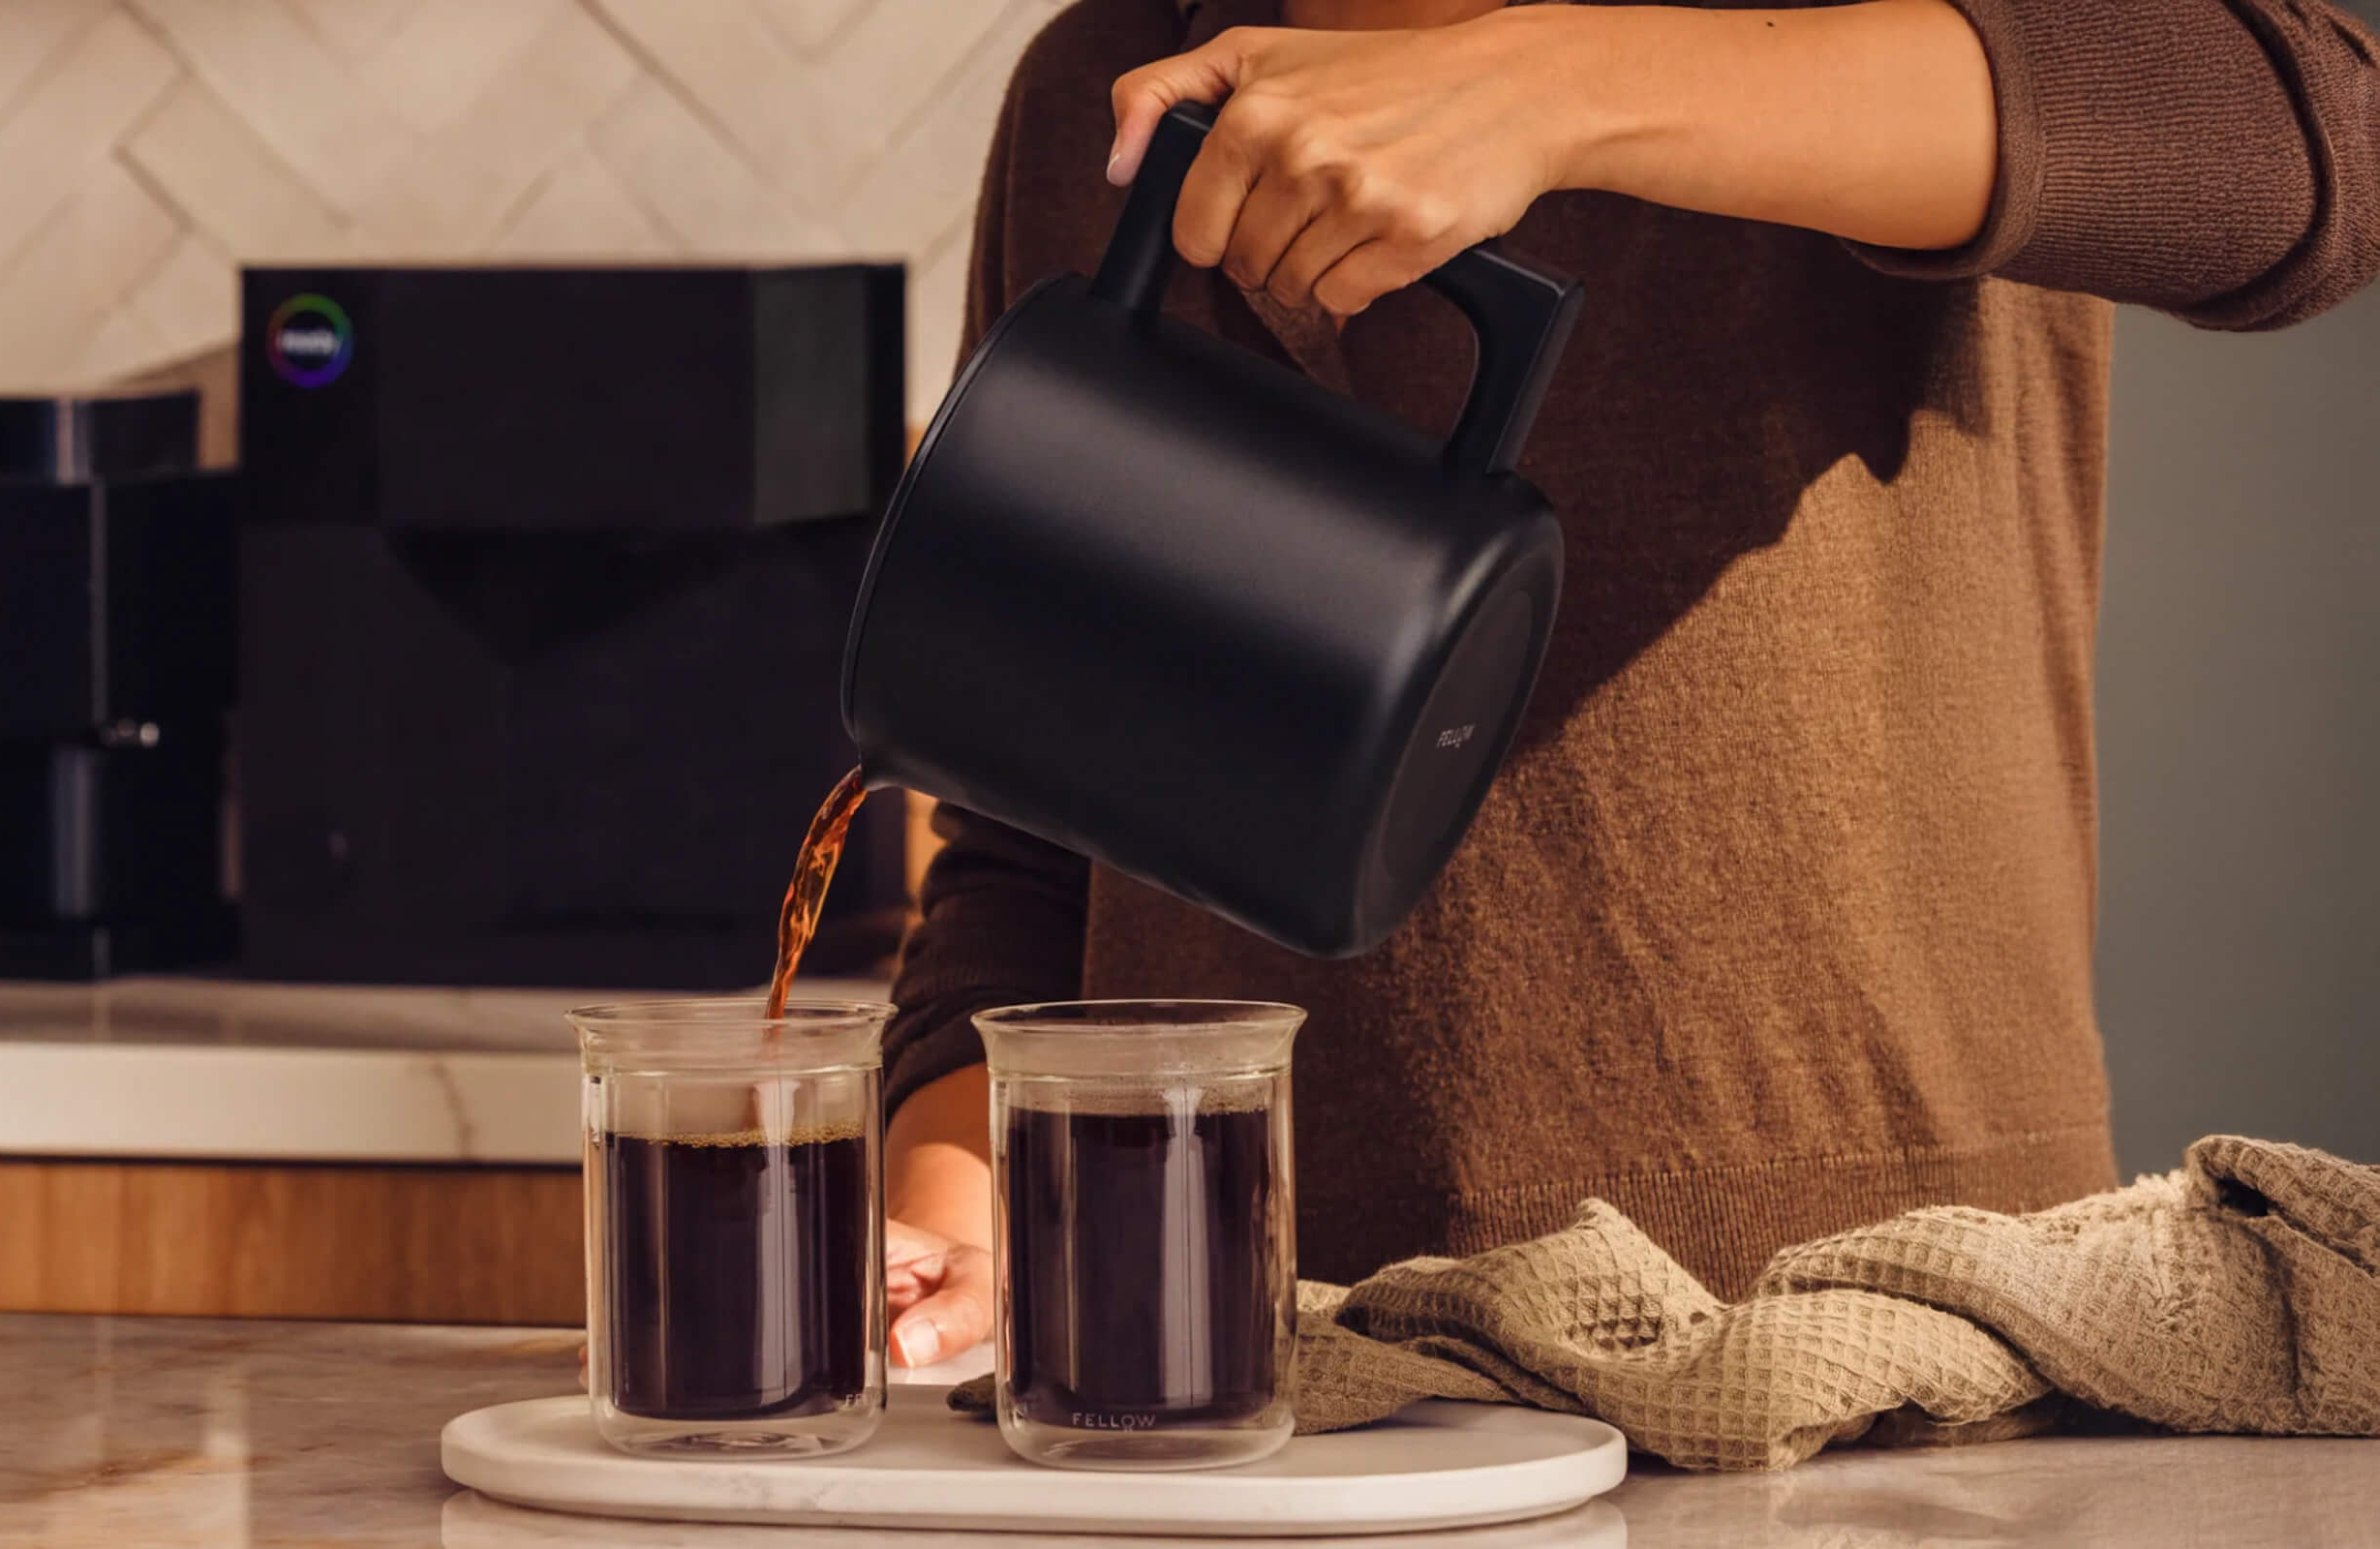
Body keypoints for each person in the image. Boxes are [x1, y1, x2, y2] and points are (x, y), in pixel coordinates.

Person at [873, 0, 2380, 1371]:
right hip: (1242, 1367)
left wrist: (1546, 93)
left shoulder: (1854, 34)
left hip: (1875, 1343)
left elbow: (2312, 141)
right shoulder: (1116, 89)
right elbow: (1031, 843)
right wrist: (968, 1236)